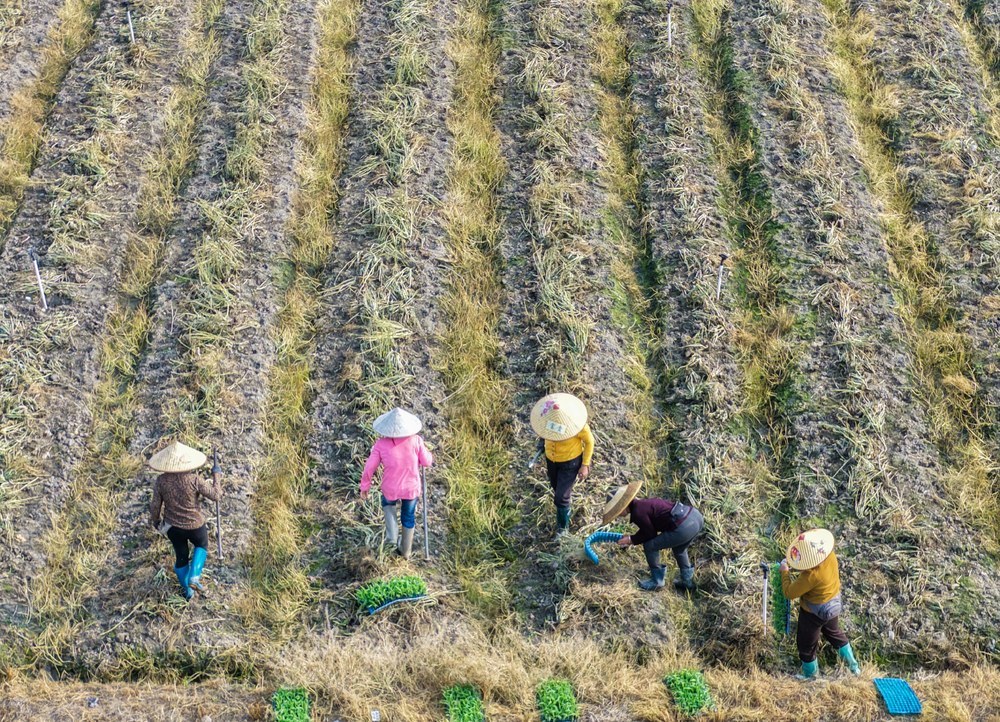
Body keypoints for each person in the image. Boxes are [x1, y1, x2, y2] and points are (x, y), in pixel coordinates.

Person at [780, 528, 861, 679]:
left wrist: (785, 572)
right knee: (834, 633)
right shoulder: (830, 556)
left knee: (806, 645)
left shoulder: (811, 576)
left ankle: (811, 676)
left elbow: (789, 593)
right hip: (833, 603)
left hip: (813, 613)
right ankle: (854, 668)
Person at [149, 441, 221, 600]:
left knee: (181, 556)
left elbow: (155, 505)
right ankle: (195, 576)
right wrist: (216, 476)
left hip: (173, 527)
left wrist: (156, 521)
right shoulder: (194, 479)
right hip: (195, 524)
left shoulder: (161, 481)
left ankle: (188, 591)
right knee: (201, 545)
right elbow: (216, 495)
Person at [360, 407, 433, 559]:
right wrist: (427, 454)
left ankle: (392, 540)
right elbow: (427, 462)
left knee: (388, 505)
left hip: (390, 488)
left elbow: (370, 467)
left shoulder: (380, 444)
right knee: (408, 516)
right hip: (410, 489)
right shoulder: (416, 440)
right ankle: (406, 552)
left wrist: (365, 486)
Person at [605, 483, 704, 592]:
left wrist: (631, 540)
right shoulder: (643, 504)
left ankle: (657, 581)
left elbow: (650, 534)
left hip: (684, 526)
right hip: (695, 516)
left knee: (650, 545)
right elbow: (648, 529)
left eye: (617, 510)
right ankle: (687, 582)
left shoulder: (638, 512)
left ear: (623, 506)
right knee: (680, 549)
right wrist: (632, 538)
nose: (618, 514)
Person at [530, 393, 594, 537]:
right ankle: (564, 509)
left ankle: (562, 529)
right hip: (551, 460)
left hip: (569, 463)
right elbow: (543, 430)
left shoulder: (577, 423)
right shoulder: (547, 416)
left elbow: (590, 442)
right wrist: (542, 443)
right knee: (556, 488)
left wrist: (585, 464)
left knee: (561, 497)